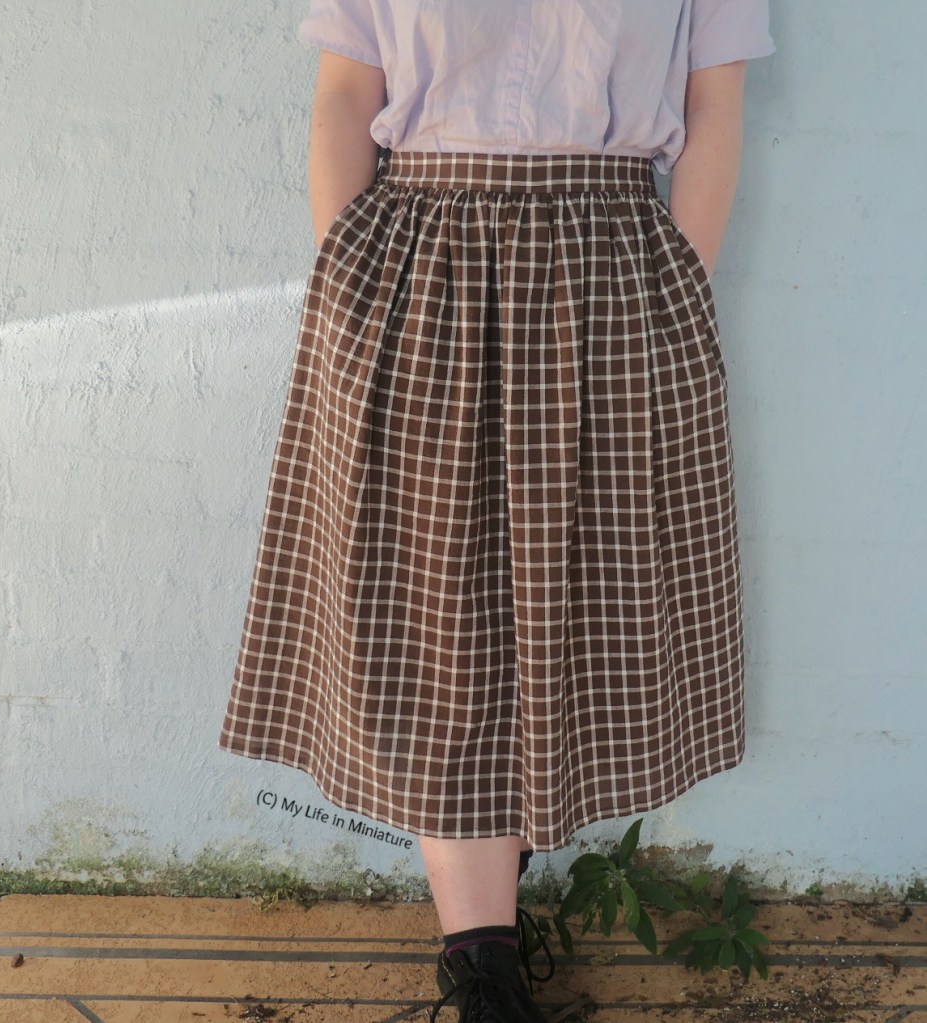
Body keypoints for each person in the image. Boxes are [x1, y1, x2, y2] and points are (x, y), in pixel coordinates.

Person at [218, 2, 776, 1020]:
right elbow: (345, 96)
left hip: (609, 270)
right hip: (416, 266)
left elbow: (714, 105)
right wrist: (346, 284)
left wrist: (673, 291)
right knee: (439, 613)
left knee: (585, 600)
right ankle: (480, 961)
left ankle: (490, 919)